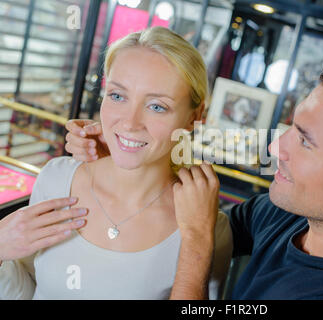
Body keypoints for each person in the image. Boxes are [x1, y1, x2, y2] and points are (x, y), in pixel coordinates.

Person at [65, 55, 323, 299]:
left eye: (305, 141)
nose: (273, 148)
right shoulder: (290, 213)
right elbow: (195, 221)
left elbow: (199, 233)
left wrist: (198, 243)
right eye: (291, 128)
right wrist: (125, 158)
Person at [0, 27, 232, 299]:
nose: (129, 123)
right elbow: (25, 287)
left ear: (195, 115)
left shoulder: (208, 228)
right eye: (117, 96)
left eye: (157, 106)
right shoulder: (56, 179)